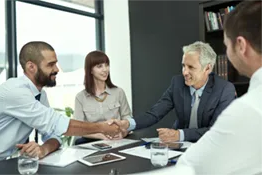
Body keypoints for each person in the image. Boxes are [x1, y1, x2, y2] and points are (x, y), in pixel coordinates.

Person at [173, 0, 262, 174]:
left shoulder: (247, 109)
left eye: (227, 46)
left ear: (241, 46)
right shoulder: (178, 86)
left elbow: (191, 167)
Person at [0, 41, 119, 161]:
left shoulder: (40, 95)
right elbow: (57, 124)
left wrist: (43, 149)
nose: (56, 69)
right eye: (50, 65)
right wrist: (102, 127)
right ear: (31, 67)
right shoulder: (15, 91)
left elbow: (53, 134)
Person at [112, 41, 236, 142]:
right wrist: (127, 124)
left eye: (191, 67)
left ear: (207, 68)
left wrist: (179, 135)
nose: (185, 72)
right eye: (183, 66)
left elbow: (216, 131)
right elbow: (154, 113)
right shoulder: (178, 83)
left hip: (210, 146)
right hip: (178, 147)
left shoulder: (225, 90)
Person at [73, 51, 132, 144]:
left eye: (106, 65)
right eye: (99, 66)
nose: (105, 69)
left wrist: (123, 133)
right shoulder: (80, 97)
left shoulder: (118, 92)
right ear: (90, 70)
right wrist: (101, 136)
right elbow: (78, 128)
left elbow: (128, 119)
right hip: (91, 144)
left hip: (117, 141)